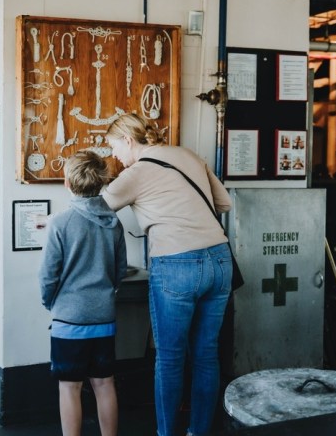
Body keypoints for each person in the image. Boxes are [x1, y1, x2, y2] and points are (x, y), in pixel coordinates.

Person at [102, 113, 232, 436]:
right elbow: (224, 203)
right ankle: (198, 432)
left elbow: (95, 211)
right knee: (206, 355)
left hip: (176, 266)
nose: (114, 155)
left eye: (114, 147)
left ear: (129, 140)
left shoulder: (136, 173)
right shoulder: (187, 155)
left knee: (170, 359)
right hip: (219, 260)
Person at [38, 151, 127, 436]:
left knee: (69, 387)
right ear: (102, 182)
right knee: (105, 383)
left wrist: (51, 302)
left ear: (67, 182)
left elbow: (48, 275)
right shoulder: (114, 223)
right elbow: (120, 270)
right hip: (104, 316)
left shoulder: (60, 223)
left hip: (69, 320)